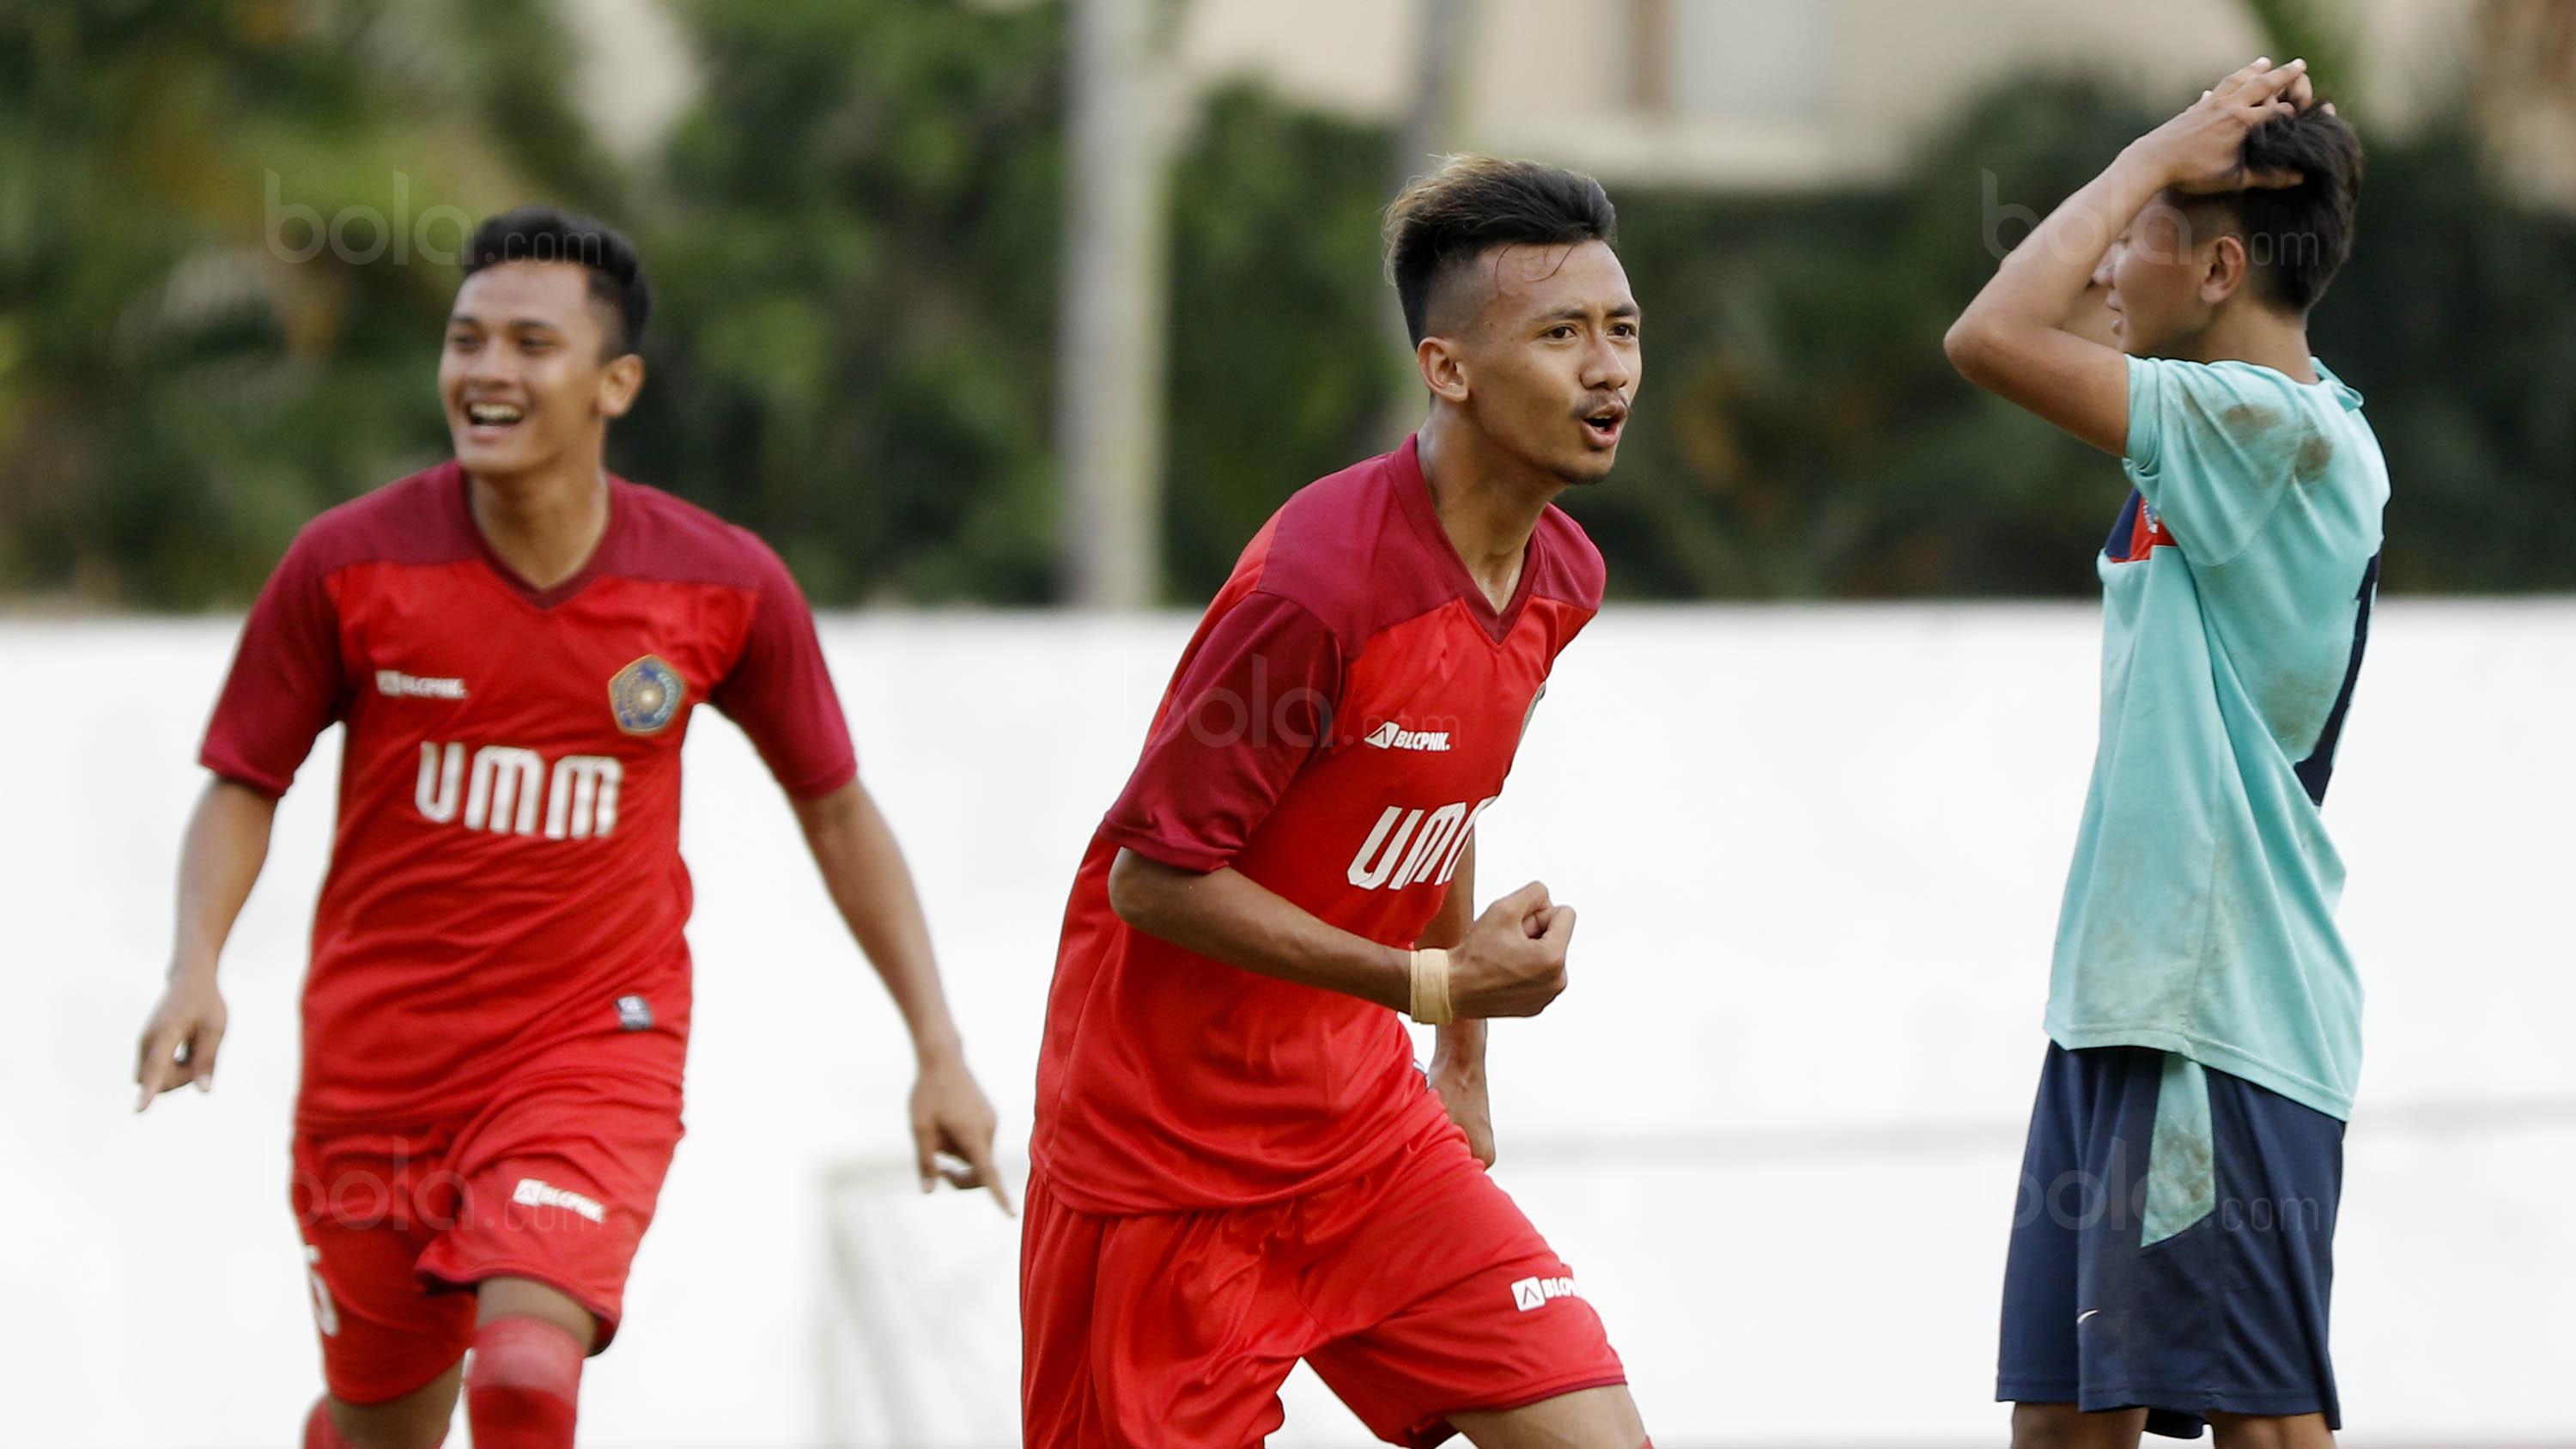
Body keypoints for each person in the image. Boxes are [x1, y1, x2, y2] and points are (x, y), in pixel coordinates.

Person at [131, 206, 1008, 1449]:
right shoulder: (345, 566)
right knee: (385, 1427)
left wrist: (939, 1048)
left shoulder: (722, 585)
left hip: (591, 1051)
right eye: (466, 341)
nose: (486, 372)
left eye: (530, 345)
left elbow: (838, 812)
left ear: (615, 382)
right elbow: (242, 781)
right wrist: (194, 969)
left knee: (527, 1373)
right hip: (374, 1075)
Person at [1020, 155, 1652, 1449]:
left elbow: (1443, 796)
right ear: (1449, 369)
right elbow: (1155, 877)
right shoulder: (1315, 589)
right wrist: (1430, 988)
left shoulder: (1561, 576)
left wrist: (1458, 1061)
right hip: (1163, 1171)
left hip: (1367, 1143)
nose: (1609, 370)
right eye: (1561, 334)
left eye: (1623, 329)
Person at [1945, 59, 2384, 1447]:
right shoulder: (2235, 433)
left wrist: (2154, 149)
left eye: (2141, 232)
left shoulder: (2269, 431)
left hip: (2219, 1015)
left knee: (2260, 1423)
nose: (2102, 267)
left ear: (2220, 266)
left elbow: (1993, 334)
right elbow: (2047, 316)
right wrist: (2166, 171)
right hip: (2124, 1009)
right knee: (2068, 1424)